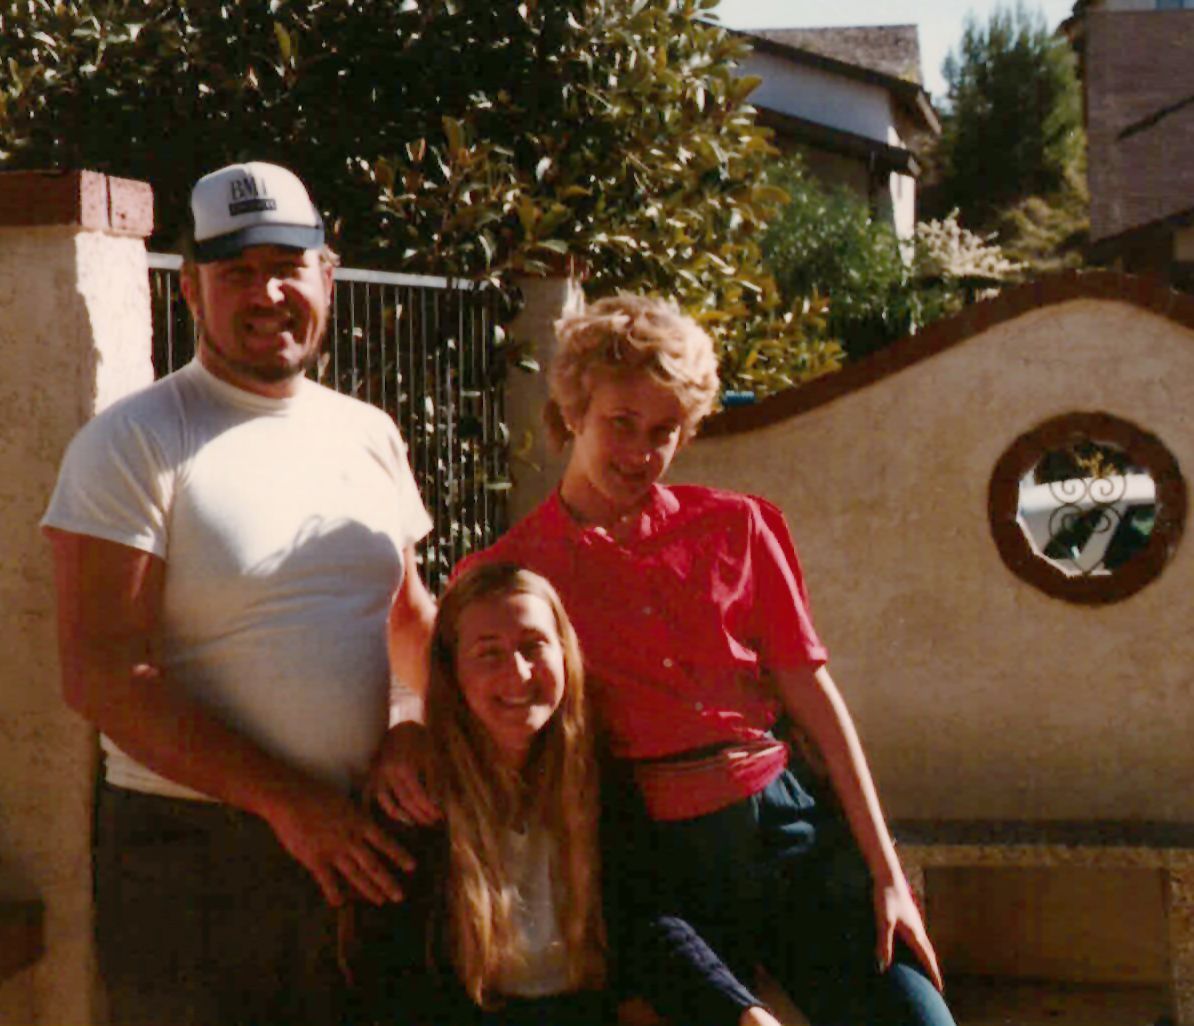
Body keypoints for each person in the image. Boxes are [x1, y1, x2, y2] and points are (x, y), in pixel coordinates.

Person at [372, 294, 957, 1026]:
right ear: (574, 412)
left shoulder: (736, 526)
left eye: (664, 431)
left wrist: (887, 874)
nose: (641, 452)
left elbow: (814, 699)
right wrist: (406, 733)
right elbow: (469, 710)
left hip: (784, 830)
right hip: (648, 860)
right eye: (621, 422)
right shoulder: (513, 575)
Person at [42, 161, 437, 1026]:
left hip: (362, 842)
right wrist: (289, 804)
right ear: (190, 288)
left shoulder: (368, 434)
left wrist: (412, 727)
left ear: (327, 274)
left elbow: (409, 625)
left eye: (287, 266)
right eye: (236, 272)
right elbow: (102, 675)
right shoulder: (134, 442)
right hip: (195, 864)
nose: (267, 294)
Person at [352, 562, 608, 1026]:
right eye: (489, 653)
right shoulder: (412, 798)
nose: (518, 672)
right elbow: (394, 984)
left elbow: (647, 920)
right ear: (451, 672)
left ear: (565, 653)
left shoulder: (599, 772)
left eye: (533, 645)